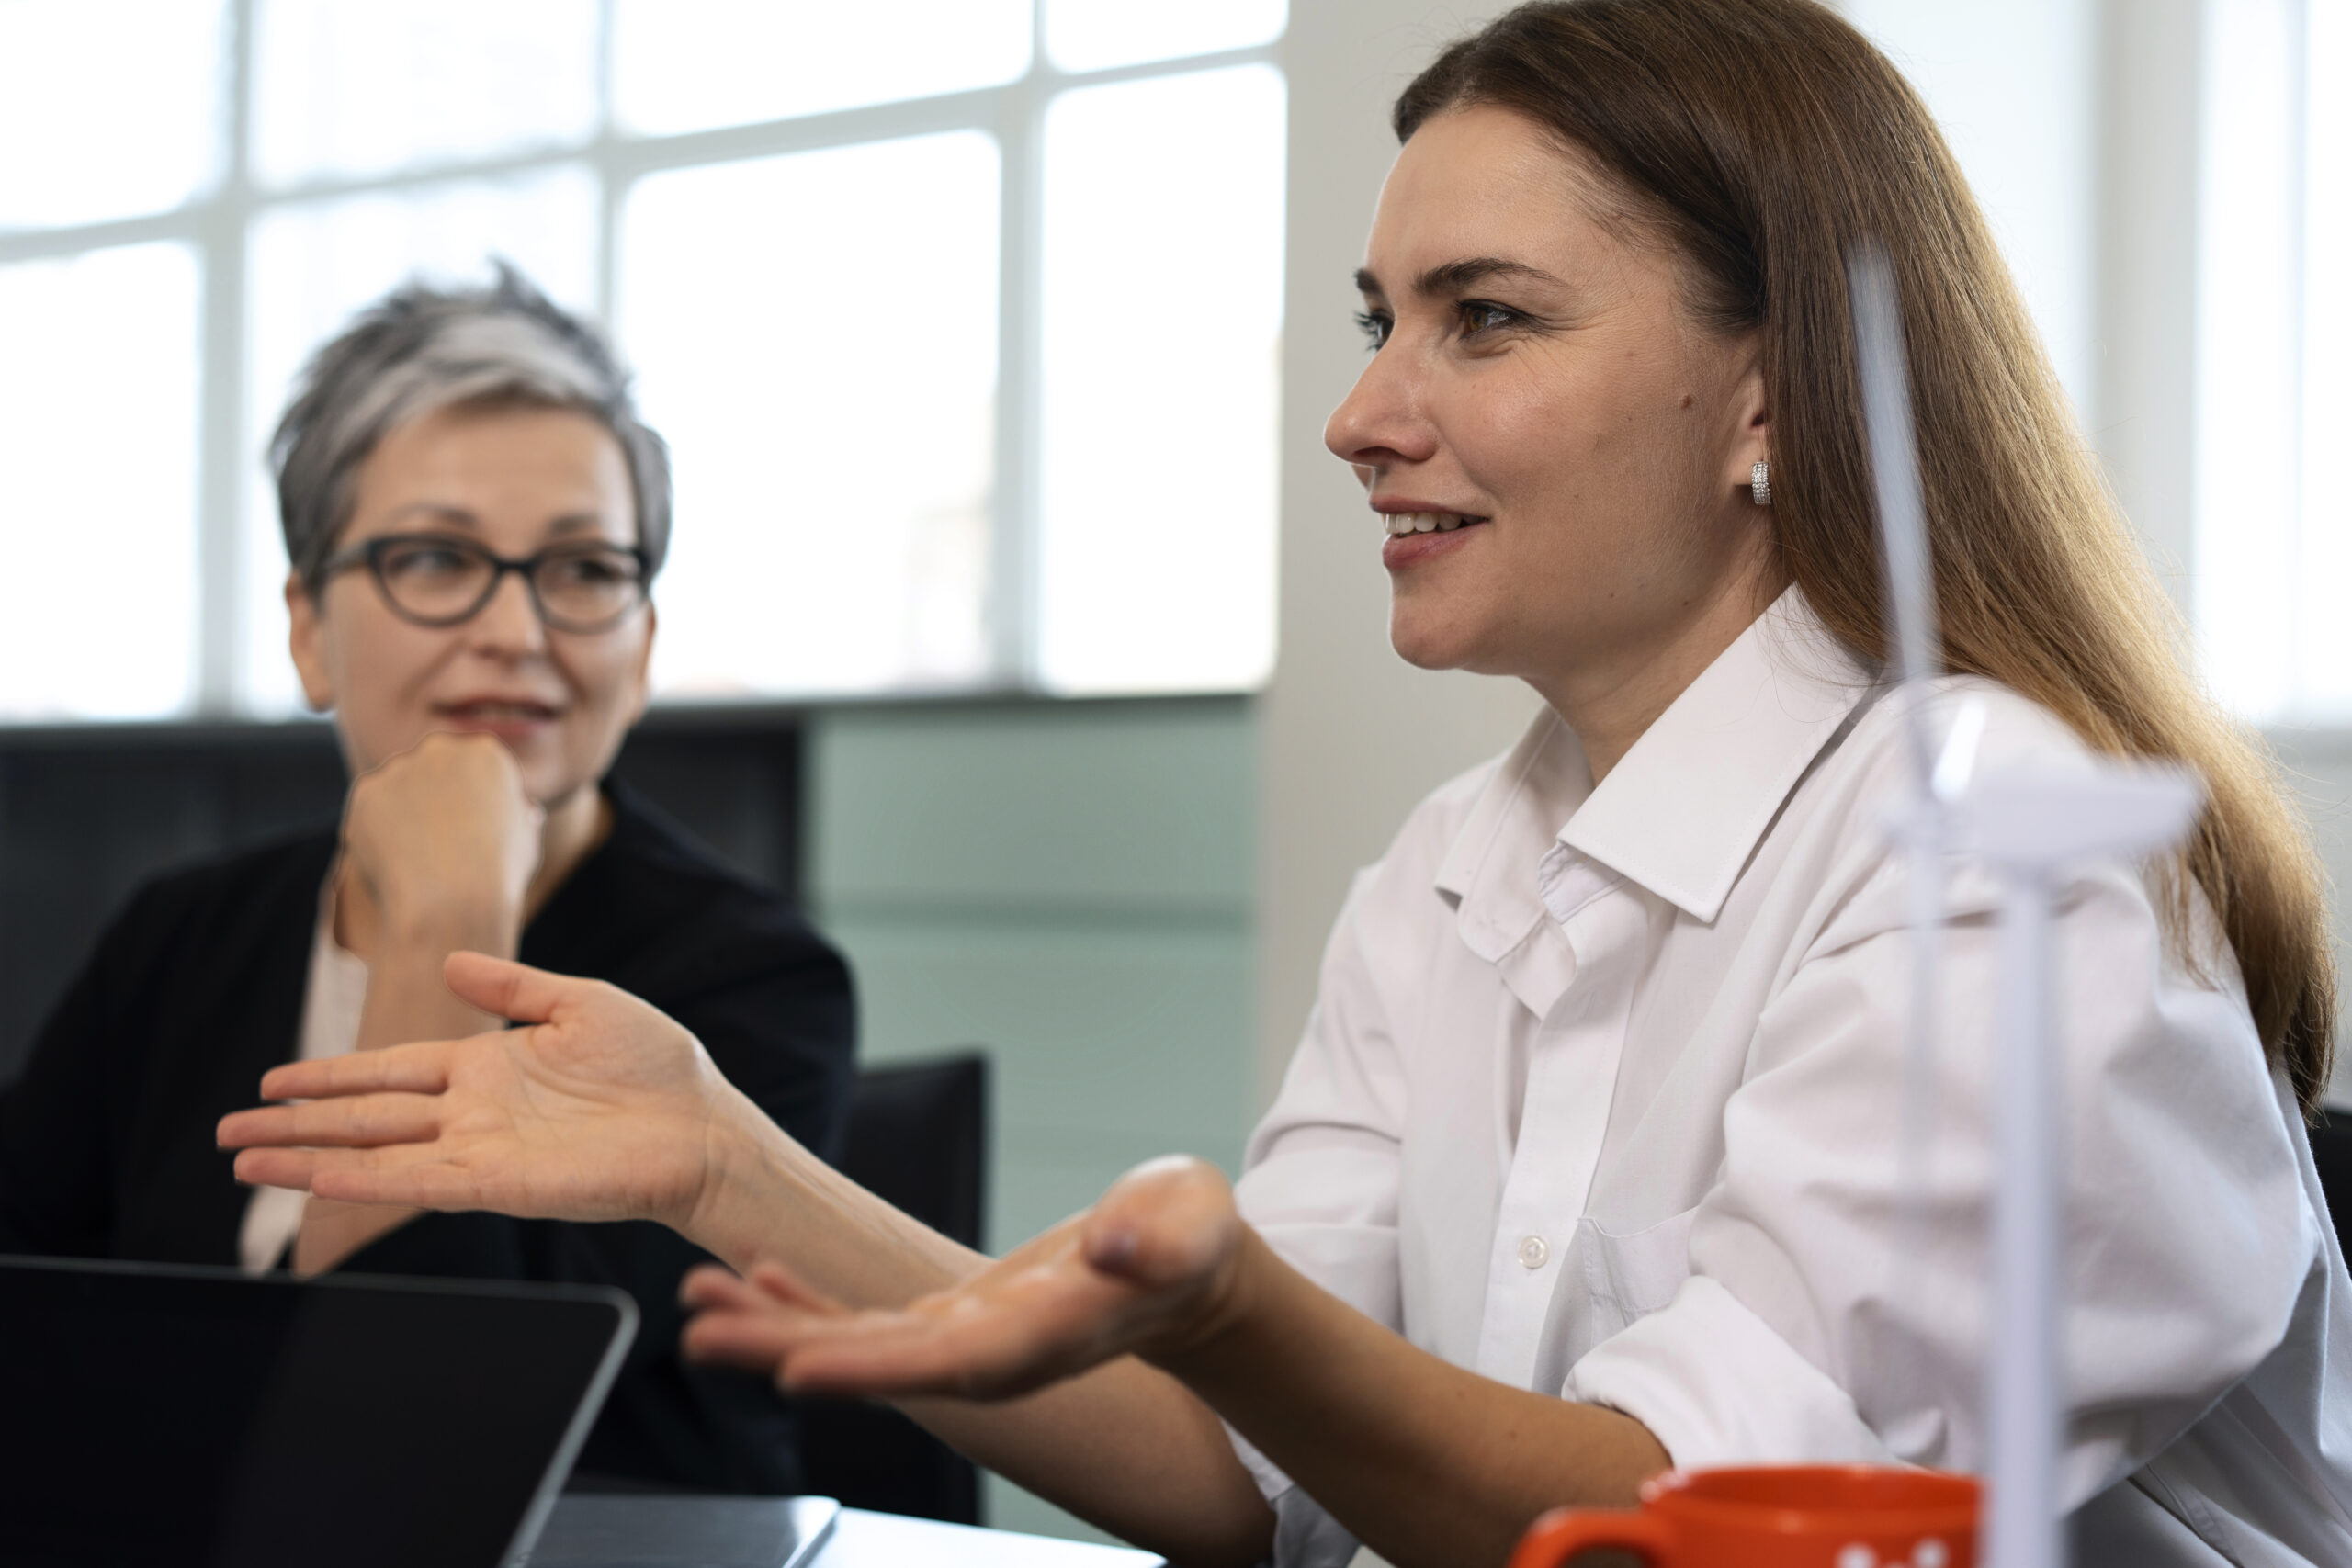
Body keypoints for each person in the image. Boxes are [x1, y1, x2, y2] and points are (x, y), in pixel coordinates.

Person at [219, 4, 2352, 1564]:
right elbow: (1250, 1480)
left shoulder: (1994, 862)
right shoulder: (1448, 870)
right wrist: (718, 1162)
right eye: (1374, 318)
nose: (1355, 413)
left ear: (1768, 394)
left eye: (1480, 320)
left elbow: (1695, 1530)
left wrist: (1235, 1307)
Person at [0, 266, 857, 1495]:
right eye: (437, 558)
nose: (517, 631)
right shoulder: (181, 933)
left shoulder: (754, 984)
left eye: (583, 571)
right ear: (308, 630)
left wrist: (445, 929)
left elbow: (409, 1448)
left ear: (645, 645)